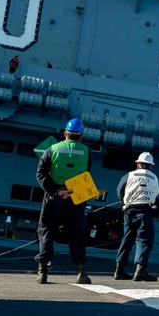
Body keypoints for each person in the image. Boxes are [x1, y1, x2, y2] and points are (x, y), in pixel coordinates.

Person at [35, 118, 92, 285]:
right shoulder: (87, 152)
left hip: (54, 198)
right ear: (80, 135)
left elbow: (40, 174)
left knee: (46, 231)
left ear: (65, 133)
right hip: (75, 197)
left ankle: (43, 272)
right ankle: (81, 272)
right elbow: (86, 175)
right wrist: (72, 192)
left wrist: (57, 191)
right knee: (77, 234)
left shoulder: (52, 149)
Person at [114, 152, 159, 283]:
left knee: (126, 239)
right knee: (144, 241)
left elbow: (120, 192)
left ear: (138, 164)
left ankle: (119, 270)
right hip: (145, 212)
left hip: (129, 211)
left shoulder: (128, 175)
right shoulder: (154, 177)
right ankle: (140, 270)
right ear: (151, 166)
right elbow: (156, 193)